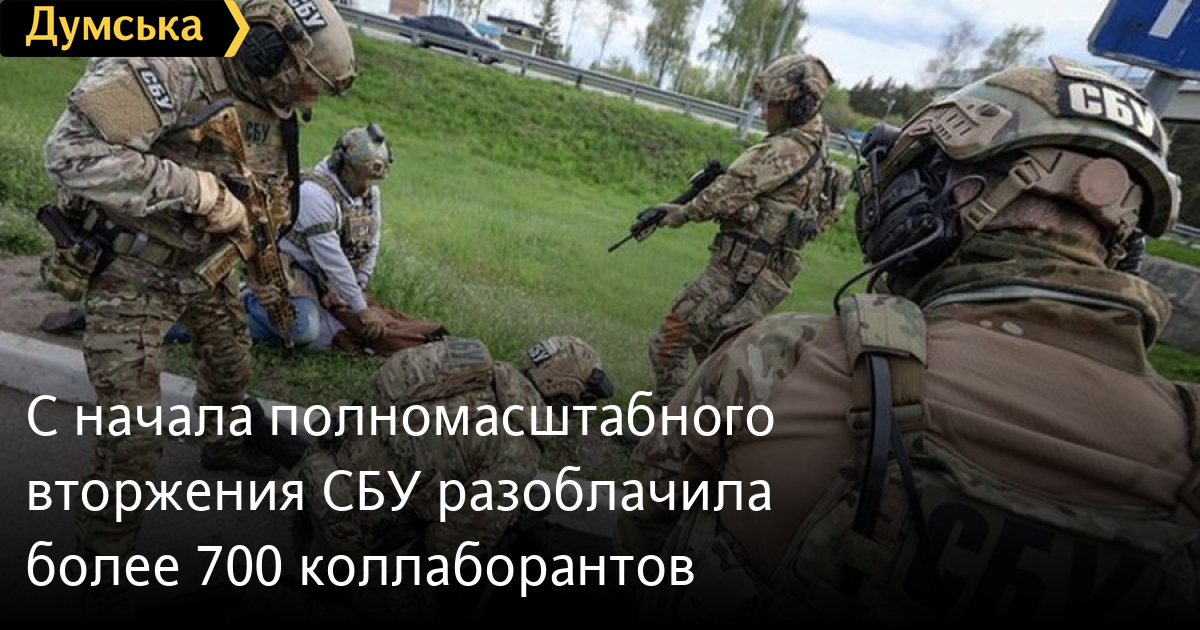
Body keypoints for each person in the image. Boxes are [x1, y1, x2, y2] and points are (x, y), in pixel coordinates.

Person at [614, 56, 1200, 626]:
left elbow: (646, 530)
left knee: (676, 341)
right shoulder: (1186, 446)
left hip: (747, 268)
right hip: (767, 268)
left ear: (937, 199)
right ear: (1125, 243)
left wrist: (680, 212)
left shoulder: (780, 360)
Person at [40, 0, 357, 589]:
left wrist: (263, 251)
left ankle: (223, 445)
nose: (306, 98)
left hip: (203, 265)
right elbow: (70, 152)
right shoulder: (167, 64)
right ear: (264, 48)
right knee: (131, 446)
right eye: (302, 81)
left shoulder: (270, 100)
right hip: (133, 270)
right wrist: (199, 193)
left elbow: (265, 187)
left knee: (232, 362)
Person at [253, 335, 614, 620]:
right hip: (353, 519)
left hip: (336, 453)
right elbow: (448, 547)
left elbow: (383, 385)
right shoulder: (518, 453)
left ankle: (273, 437)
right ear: (567, 395)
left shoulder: (469, 362)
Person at [646, 53, 843, 407]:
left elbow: (723, 194)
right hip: (762, 276)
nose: (765, 112)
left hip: (735, 273)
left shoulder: (784, 150)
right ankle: (705, 425)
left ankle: (669, 425)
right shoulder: (819, 147)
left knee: (669, 342)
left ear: (798, 107)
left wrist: (680, 213)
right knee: (713, 353)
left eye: (773, 104)